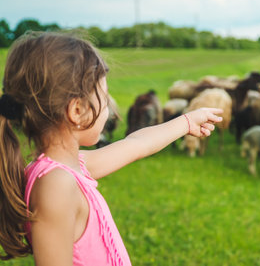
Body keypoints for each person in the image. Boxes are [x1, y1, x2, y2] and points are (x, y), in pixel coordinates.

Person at [0, 32, 223, 266]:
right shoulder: (56, 186)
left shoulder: (72, 168)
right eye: (104, 99)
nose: (108, 109)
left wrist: (186, 122)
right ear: (76, 111)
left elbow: (137, 145)